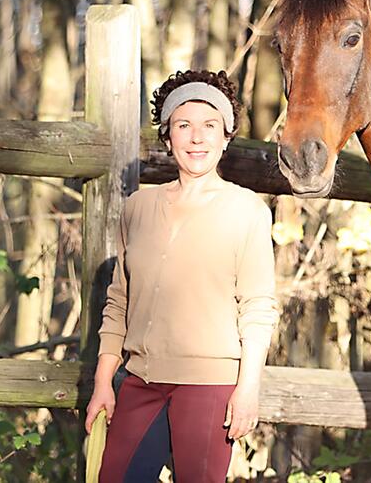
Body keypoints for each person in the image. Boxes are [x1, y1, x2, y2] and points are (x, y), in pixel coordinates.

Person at [84, 69, 280, 482]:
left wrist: (247, 390)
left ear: (226, 137)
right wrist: (104, 382)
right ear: (167, 136)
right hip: (139, 382)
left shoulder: (246, 212)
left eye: (210, 127)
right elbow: (118, 300)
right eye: (184, 126)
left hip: (209, 389)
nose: (196, 138)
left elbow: (259, 308)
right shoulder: (138, 208)